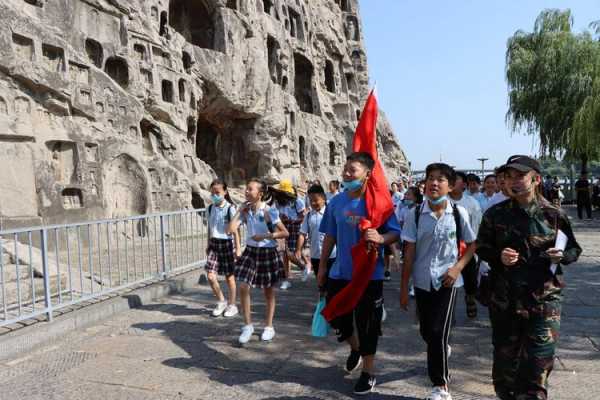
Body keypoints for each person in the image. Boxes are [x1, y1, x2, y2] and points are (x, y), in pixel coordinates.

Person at [477, 155, 582, 400]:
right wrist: (498, 256)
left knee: (537, 368)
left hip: (544, 301)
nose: (513, 182)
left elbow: (574, 249)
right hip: (506, 301)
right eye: (508, 176)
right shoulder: (495, 214)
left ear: (535, 179)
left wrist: (561, 255)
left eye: (519, 176)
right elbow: (481, 247)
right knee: (505, 373)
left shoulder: (554, 215)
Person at [318, 152, 401, 395]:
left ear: (366, 174)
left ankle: (368, 371)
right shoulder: (336, 202)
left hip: (368, 274)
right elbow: (330, 236)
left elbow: (393, 232)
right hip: (340, 272)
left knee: (368, 324)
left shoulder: (378, 203)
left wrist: (381, 237)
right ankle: (355, 347)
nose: (346, 173)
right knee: (336, 317)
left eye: (352, 170)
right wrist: (323, 266)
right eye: (345, 169)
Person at [401, 163, 477, 400]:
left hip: (448, 282)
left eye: (440, 179)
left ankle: (440, 386)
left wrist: (457, 268)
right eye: (430, 178)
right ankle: (441, 349)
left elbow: (473, 244)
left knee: (436, 332)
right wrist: (404, 288)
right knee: (427, 331)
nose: (434, 183)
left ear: (451, 185)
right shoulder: (414, 213)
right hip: (423, 281)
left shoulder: (458, 213)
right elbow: (410, 253)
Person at [228, 179, 289, 344]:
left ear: (260, 194)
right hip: (250, 251)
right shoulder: (245, 211)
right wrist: (239, 210)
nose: (246, 191)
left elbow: (285, 233)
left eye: (250, 189)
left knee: (268, 291)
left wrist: (266, 236)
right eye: (246, 188)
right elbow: (230, 229)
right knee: (243, 286)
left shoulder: (269, 211)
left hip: (267, 252)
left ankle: (269, 326)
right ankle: (248, 326)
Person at [205, 180, 241, 318]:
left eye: (217, 192)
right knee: (210, 275)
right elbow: (210, 227)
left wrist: (238, 248)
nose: (214, 195)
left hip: (227, 244)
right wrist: (208, 244)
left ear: (225, 192)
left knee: (229, 277)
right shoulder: (210, 208)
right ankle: (221, 301)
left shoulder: (230, 208)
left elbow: (236, 230)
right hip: (214, 244)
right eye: (212, 192)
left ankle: (232, 305)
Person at [449, 171, 482, 319]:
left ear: (464, 184)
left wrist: (474, 248)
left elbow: (476, 226)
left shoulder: (471, 203)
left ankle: (470, 298)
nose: (452, 182)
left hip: (467, 248)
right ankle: (448, 310)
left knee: (470, 279)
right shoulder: (443, 201)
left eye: (456, 180)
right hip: (448, 250)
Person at [295, 184, 336, 285]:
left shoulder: (332, 213)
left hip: (332, 256)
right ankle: (322, 299)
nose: (313, 203)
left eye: (315, 200)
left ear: (323, 197)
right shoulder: (309, 216)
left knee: (332, 284)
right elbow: (302, 234)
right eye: (310, 200)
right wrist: (299, 249)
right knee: (321, 284)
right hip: (316, 256)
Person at [272, 180, 306, 290]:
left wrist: (293, 220)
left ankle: (302, 266)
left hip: (295, 228)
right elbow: (275, 216)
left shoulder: (297, 201)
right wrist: (281, 218)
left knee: (289, 253)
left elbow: (303, 217)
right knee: (284, 255)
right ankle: (287, 279)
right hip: (283, 228)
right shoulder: (278, 202)